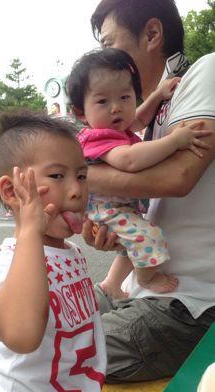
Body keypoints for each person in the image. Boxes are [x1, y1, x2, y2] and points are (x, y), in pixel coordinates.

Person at [81, 0, 215, 383]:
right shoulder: (158, 107)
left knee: (56, 356)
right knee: (41, 327)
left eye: (110, 43)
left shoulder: (206, 71)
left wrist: (73, 176)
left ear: (152, 34)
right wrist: (115, 235)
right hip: (145, 291)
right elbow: (149, 203)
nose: (104, 57)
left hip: (190, 306)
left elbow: (179, 177)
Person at [0, 111, 106, 392]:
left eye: (81, 176)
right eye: (57, 176)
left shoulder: (73, 253)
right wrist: (31, 229)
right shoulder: (4, 262)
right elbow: (22, 335)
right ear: (11, 191)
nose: (77, 190)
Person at [67, 47, 211, 298]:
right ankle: (148, 278)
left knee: (131, 244)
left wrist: (156, 96)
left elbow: (138, 120)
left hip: (118, 206)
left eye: (125, 97)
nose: (116, 108)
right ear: (81, 112)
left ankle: (114, 284)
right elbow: (129, 161)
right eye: (103, 101)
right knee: (148, 236)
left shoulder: (115, 128)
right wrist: (175, 141)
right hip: (108, 210)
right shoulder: (97, 137)